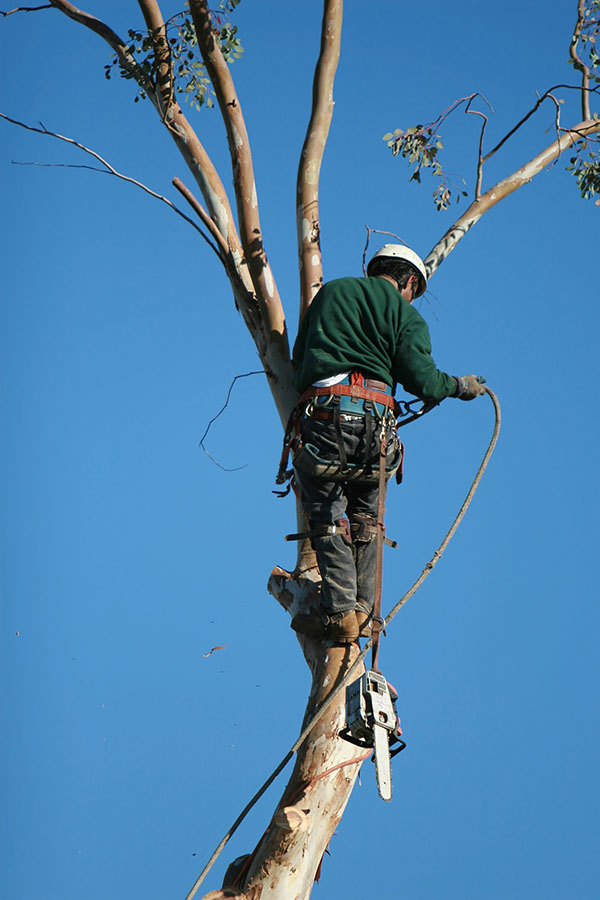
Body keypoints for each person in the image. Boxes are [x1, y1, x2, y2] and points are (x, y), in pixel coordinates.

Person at [290, 244, 485, 644]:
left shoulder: (331, 294)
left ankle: (342, 612)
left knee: (327, 512)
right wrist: (459, 386)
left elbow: (299, 361)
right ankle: (361, 611)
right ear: (409, 282)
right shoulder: (405, 315)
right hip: (376, 431)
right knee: (368, 519)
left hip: (325, 417)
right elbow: (424, 381)